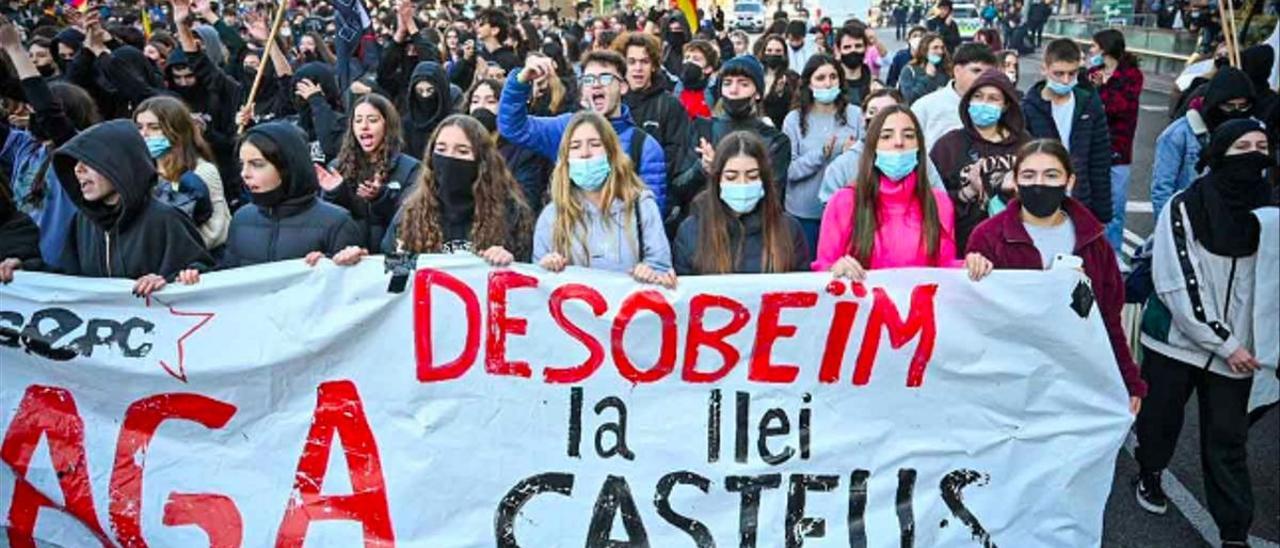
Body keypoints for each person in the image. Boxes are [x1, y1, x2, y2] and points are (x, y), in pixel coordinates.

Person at [1133, 120, 1276, 548]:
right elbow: (1179, 281)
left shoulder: (1271, 214)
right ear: (1219, 153)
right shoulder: (1185, 205)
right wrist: (1224, 341)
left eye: (1262, 146)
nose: (1253, 155)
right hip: (1178, 342)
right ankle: (1150, 472)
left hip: (1240, 353)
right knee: (1159, 419)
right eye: (1242, 146)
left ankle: (1234, 533)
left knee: (1228, 441)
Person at [965, 139, 1147, 406]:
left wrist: (1129, 381)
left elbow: (1108, 320)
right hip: (1009, 379)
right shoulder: (989, 237)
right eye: (1029, 175)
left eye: (1051, 175)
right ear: (1015, 182)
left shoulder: (1094, 243)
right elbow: (974, 320)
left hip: (1072, 376)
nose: (1040, 184)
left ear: (1069, 181)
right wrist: (973, 269)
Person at [46, 120, 212, 296]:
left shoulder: (165, 219)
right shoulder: (82, 221)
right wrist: (23, 268)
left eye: (89, 161)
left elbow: (203, 277)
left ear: (119, 164)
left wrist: (168, 280)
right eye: (76, 162)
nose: (78, 169)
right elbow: (64, 281)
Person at [499, 50, 667, 212]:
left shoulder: (645, 146)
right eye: (588, 79)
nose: (596, 85)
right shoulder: (565, 128)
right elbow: (514, 127)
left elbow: (651, 215)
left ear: (623, 87)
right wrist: (520, 81)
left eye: (606, 78)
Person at [812, 105, 959, 277]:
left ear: (919, 146)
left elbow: (946, 270)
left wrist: (970, 266)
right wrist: (835, 269)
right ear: (873, 148)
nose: (899, 142)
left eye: (909, 136)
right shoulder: (844, 201)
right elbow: (822, 268)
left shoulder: (939, 203)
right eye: (887, 136)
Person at [533, 111, 673, 287]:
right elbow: (539, 289)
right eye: (575, 146)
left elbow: (661, 268)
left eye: (594, 144)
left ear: (611, 152)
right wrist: (546, 270)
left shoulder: (641, 206)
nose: (585, 153)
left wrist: (650, 273)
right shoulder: (551, 215)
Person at [200, 122, 363, 271]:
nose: (244, 174)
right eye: (242, 164)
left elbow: (351, 291)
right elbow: (228, 279)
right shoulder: (241, 218)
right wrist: (197, 274)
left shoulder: (337, 223)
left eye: (257, 164)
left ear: (287, 166)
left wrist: (332, 264)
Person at [384, 114, 534, 264]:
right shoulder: (411, 214)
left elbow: (528, 273)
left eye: (462, 151)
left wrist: (508, 261)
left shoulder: (511, 212)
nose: (449, 158)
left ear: (482, 161)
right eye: (441, 150)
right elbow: (389, 273)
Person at [671, 55, 792, 231]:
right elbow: (678, 187)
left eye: (743, 84)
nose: (734, 90)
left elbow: (773, 198)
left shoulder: (775, 140)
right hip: (705, 230)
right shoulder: (702, 129)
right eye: (727, 83)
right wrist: (701, 169)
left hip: (755, 235)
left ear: (757, 93)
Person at [673, 131, 809, 274]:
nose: (743, 184)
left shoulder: (788, 229)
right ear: (718, 180)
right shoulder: (691, 231)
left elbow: (802, 286)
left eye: (752, 176)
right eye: (731, 177)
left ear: (764, 179)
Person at [931, 69, 1029, 253]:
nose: (984, 103)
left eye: (993, 99)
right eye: (978, 96)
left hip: (1014, 247)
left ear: (1006, 105)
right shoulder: (948, 146)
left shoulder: (1025, 145)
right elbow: (931, 201)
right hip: (963, 246)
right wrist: (967, 192)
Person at [1022, 39, 1112, 226]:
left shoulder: (1089, 104)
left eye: (1072, 74)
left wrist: (1102, 214)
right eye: (1059, 74)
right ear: (1044, 69)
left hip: (1080, 201)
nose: (1065, 80)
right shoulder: (1027, 109)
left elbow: (1099, 161)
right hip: (1041, 203)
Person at [315, 94, 421, 252]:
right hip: (350, 259)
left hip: (391, 261)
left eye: (372, 120)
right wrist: (335, 193)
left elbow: (409, 222)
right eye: (358, 121)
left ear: (387, 125)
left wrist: (380, 198)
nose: (364, 126)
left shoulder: (411, 168)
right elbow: (326, 222)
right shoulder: (337, 167)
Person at [783, 54, 865, 257]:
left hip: (847, 212)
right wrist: (821, 154)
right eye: (820, 78)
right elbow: (789, 170)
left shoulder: (855, 115)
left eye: (833, 77)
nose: (828, 83)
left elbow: (866, 161)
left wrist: (850, 157)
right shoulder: (794, 120)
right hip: (804, 214)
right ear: (809, 84)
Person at [1152, 67, 1256, 219]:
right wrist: (1171, 231)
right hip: (1190, 221)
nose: (1236, 112)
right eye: (1229, 106)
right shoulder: (1179, 134)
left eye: (1242, 107)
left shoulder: (1253, 133)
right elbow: (1162, 189)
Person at [133, 96, 230, 250]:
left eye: (154, 127)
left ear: (176, 130)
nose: (144, 134)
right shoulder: (141, 172)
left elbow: (216, 232)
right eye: (139, 127)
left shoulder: (203, 171)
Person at [1086, 29, 1143, 253]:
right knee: (1089, 206)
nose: (1091, 51)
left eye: (1093, 46)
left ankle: (1114, 253)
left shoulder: (1131, 75)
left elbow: (1120, 107)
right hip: (1092, 149)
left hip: (1119, 150)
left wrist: (1102, 88)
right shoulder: (1092, 73)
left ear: (1105, 48)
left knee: (1116, 207)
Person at [615, 31, 691, 184]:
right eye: (631, 61)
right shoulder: (613, 102)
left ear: (654, 66)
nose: (638, 68)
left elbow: (676, 155)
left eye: (644, 61)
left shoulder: (670, 105)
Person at [468, 79, 552, 211]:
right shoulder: (462, 147)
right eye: (475, 101)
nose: (481, 107)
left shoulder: (524, 151)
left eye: (490, 101)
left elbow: (525, 201)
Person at [912, 42, 997, 149]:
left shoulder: (996, 109)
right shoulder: (925, 107)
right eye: (976, 71)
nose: (982, 78)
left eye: (988, 73)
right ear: (957, 71)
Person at [757, 34, 800, 129]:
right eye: (769, 50)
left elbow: (795, 106)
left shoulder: (792, 78)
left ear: (784, 54)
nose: (773, 54)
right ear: (763, 52)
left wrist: (779, 94)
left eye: (778, 51)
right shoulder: (755, 74)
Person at [897, 32, 951, 104]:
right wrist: (928, 77)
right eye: (935, 48)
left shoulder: (946, 69)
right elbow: (909, 98)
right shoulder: (909, 70)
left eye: (942, 48)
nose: (940, 51)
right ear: (924, 50)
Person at [833, 24, 875, 109]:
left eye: (858, 46)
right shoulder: (830, 83)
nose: (853, 50)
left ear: (866, 48)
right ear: (838, 50)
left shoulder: (874, 85)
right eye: (847, 47)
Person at [677, 39, 720, 120]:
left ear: (708, 69)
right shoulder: (676, 85)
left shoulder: (714, 89)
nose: (689, 62)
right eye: (687, 57)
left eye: (696, 59)